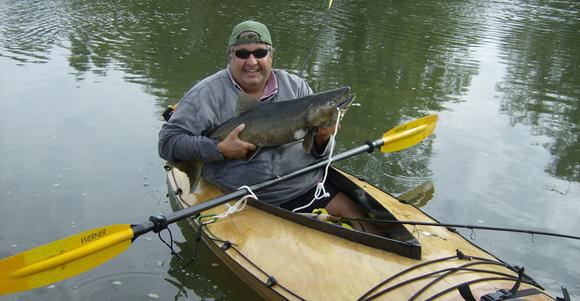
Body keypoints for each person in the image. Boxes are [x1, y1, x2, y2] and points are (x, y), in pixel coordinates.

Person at [158, 20, 370, 231]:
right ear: (230, 56)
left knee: (373, 228)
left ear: (271, 55)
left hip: (307, 186)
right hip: (244, 199)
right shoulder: (205, 95)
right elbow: (168, 143)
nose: (252, 61)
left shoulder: (296, 86)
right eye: (242, 54)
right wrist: (218, 149)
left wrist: (323, 138)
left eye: (260, 53)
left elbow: (316, 151)